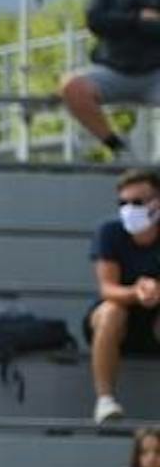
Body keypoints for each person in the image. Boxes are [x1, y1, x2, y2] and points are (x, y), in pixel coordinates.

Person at [62, 0, 160, 156]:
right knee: (72, 88)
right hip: (112, 70)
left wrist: (125, 21)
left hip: (155, 72)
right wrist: (137, 19)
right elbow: (95, 20)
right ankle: (117, 147)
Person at [89, 168, 160, 424]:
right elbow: (107, 287)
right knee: (111, 311)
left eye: (138, 202)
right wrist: (137, 292)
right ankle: (105, 399)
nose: (130, 209)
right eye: (123, 203)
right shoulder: (109, 231)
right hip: (119, 319)